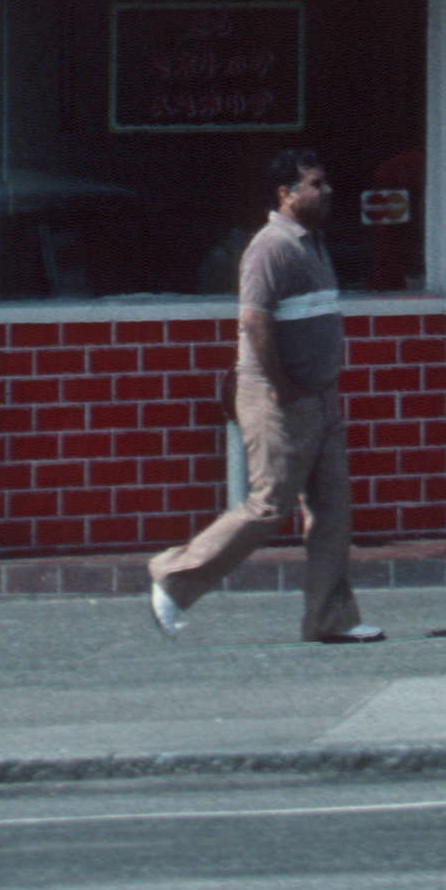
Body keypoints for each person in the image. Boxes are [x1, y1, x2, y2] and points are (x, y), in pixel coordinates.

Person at [147, 147, 379, 643]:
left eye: (325, 182)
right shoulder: (270, 247)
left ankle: (331, 619)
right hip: (278, 399)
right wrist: (282, 387)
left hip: (319, 397)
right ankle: (174, 577)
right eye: (316, 184)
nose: (327, 191)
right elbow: (254, 321)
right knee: (269, 505)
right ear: (286, 194)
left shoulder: (314, 244)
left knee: (332, 511)